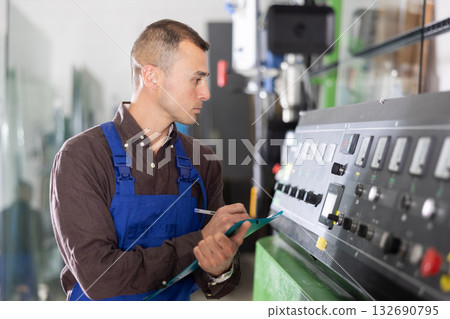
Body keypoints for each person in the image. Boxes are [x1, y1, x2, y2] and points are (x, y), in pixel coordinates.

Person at [50, 19, 251, 301]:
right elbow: (100, 279)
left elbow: (219, 283)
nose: (205, 93)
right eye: (196, 79)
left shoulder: (202, 161)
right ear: (152, 77)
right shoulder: (82, 157)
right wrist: (200, 241)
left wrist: (220, 268)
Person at [1, 180, 44, 300]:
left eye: (27, 192)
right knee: (8, 291)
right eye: (23, 192)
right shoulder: (5, 214)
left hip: (28, 257)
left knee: (28, 293)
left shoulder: (34, 215)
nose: (25, 195)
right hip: (8, 257)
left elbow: (40, 238)